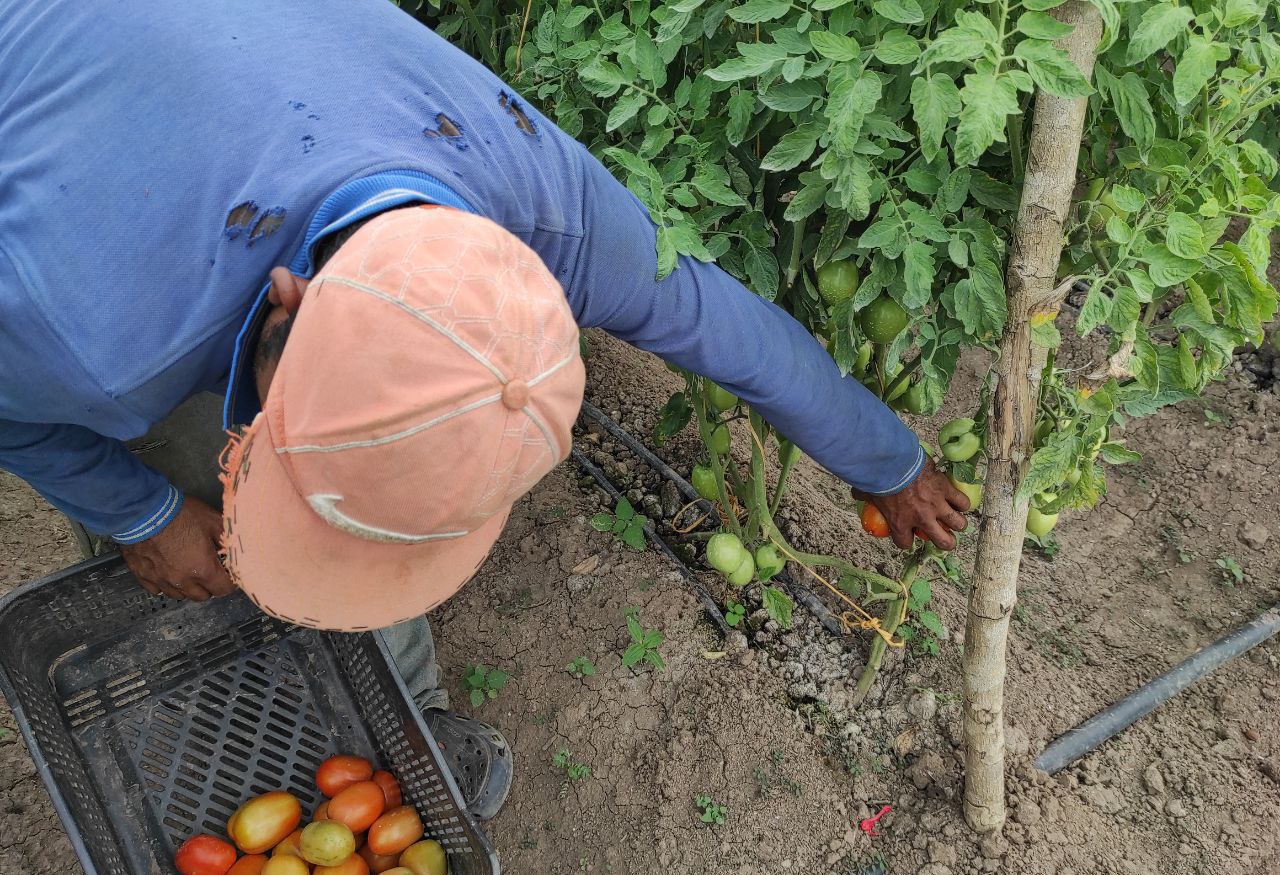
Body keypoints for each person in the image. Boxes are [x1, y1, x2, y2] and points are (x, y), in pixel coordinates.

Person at [0, 0, 969, 818]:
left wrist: (888, 462)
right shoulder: (87, 339)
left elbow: (738, 335)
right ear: (283, 300)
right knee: (169, 477)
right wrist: (140, 512)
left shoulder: (545, 207)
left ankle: (392, 704)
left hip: (219, 68)